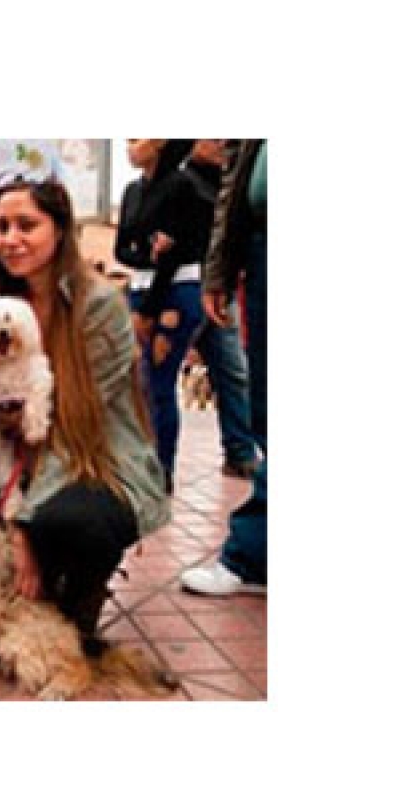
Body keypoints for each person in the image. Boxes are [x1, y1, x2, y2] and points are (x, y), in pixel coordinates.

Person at [0, 176, 170, 653]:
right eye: (1, 227)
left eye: (26, 225)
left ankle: (79, 605)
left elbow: (75, 425)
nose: (10, 238)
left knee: (71, 521)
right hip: (16, 460)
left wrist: (21, 523)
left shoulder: (100, 305)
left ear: (61, 230)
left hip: (93, 457)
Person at [184, 139, 268, 596]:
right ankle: (255, 556)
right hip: (260, 245)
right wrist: (219, 271)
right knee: (265, 404)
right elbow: (233, 186)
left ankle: (253, 555)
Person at [116, 139, 213, 492]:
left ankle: (161, 467)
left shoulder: (182, 186)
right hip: (141, 287)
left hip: (175, 291)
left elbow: (177, 253)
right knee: (140, 383)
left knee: (159, 382)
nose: (130, 147)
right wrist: (148, 254)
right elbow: (122, 248)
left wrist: (149, 307)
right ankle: (143, 462)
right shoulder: (132, 191)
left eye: (137, 138)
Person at [181, 139, 259, 478]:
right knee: (157, 378)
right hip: (184, 289)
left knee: (234, 372)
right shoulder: (182, 183)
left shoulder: (233, 181)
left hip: (217, 287)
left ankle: (240, 451)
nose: (219, 143)